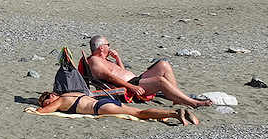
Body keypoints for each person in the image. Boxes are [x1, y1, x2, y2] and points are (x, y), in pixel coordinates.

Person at [83, 36, 213, 108]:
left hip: (133, 81)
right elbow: (110, 77)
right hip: (127, 87)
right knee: (160, 81)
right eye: (108, 44)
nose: (110, 47)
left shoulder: (105, 59)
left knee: (163, 65)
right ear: (101, 47)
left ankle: (178, 99)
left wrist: (118, 58)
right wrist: (132, 87)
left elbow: (122, 71)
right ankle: (192, 102)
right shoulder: (95, 61)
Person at [35, 91, 199, 124]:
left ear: (51, 97)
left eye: (46, 101)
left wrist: (40, 108)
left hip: (100, 108)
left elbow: (42, 112)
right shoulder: (72, 93)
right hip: (105, 101)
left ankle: (175, 114)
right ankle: (179, 114)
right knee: (136, 111)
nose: (48, 104)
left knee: (139, 113)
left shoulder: (60, 100)